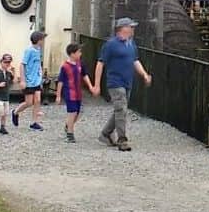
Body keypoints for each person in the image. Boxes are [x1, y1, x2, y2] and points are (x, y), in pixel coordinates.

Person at [93, 16, 152, 152]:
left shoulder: (131, 44)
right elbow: (100, 63)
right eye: (131, 27)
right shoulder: (111, 44)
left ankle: (105, 134)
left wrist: (144, 74)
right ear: (122, 28)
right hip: (115, 82)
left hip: (127, 82)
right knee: (121, 109)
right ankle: (122, 139)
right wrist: (96, 84)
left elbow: (135, 61)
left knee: (120, 110)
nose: (133, 29)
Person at [56, 42, 97, 143]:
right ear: (72, 54)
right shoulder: (65, 66)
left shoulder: (80, 64)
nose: (80, 54)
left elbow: (84, 75)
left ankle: (68, 125)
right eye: (79, 52)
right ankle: (70, 134)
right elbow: (60, 81)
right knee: (72, 112)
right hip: (69, 92)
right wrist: (58, 95)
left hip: (78, 92)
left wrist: (91, 86)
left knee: (78, 112)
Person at [12, 30, 47, 131]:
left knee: (38, 100)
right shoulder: (29, 51)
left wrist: (40, 72)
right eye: (42, 39)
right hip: (29, 81)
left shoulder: (38, 50)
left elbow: (38, 63)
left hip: (36, 80)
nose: (43, 41)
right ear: (38, 40)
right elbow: (22, 65)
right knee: (29, 102)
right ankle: (15, 112)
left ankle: (34, 122)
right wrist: (22, 80)